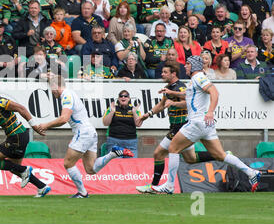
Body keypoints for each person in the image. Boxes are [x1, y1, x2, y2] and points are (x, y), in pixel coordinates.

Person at [151, 56, 262, 194]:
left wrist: (210, 111)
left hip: (197, 122)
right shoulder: (194, 81)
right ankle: (251, 172)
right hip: (205, 126)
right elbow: (189, 94)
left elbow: (214, 92)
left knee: (173, 148)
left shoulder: (199, 78)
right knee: (221, 155)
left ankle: (169, 186)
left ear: (193, 66)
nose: (184, 67)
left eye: (187, 64)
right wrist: (171, 92)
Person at [39, 75, 132, 198]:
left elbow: (64, 118)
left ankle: (82, 192)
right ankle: (113, 153)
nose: (51, 91)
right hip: (90, 132)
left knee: (68, 163)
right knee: (91, 169)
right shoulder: (70, 94)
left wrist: (46, 125)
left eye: (51, 88)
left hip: (82, 132)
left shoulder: (66, 95)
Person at [136, 61, 216, 193]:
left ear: (173, 74)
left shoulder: (180, 87)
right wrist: (146, 115)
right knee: (191, 158)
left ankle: (153, 186)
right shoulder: (169, 88)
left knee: (159, 153)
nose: (162, 74)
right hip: (176, 125)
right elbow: (161, 105)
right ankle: (219, 154)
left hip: (181, 126)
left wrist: (173, 103)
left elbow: (188, 104)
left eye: (165, 72)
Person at [0, 80, 51, 198]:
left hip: (17, 136)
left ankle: (25, 170)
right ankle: (42, 186)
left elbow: (21, 109)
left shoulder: (0, 102)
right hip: (19, 136)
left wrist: (34, 126)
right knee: (16, 168)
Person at [103, 89, 142, 157]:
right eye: (121, 96)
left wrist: (134, 113)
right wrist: (112, 112)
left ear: (129, 98)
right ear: (118, 99)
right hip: (114, 141)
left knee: (131, 165)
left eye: (125, 96)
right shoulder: (112, 108)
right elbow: (105, 123)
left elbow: (138, 124)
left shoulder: (134, 109)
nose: (123, 97)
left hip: (131, 142)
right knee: (116, 165)